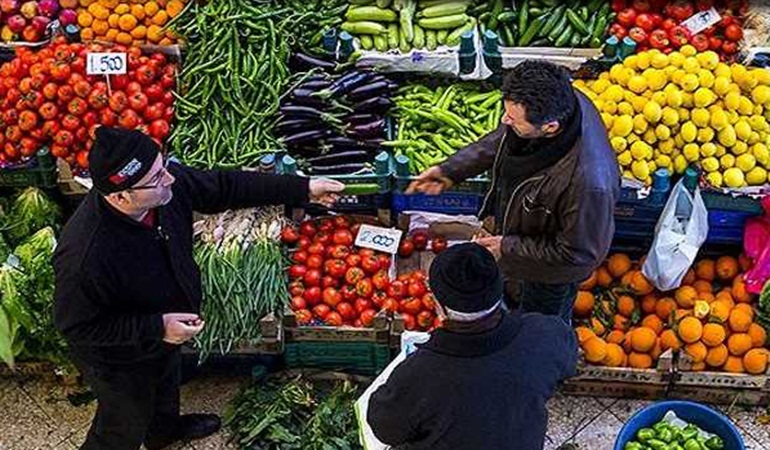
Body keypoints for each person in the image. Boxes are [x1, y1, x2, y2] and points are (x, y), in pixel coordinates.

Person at [53, 127, 344, 450]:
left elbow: (224, 187)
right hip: (119, 357)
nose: (170, 180)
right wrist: (156, 327)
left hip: (164, 329)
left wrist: (302, 188)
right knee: (123, 421)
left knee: (166, 383)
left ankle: (164, 431)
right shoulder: (84, 255)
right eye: (157, 178)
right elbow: (76, 326)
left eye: (164, 167)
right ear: (121, 196)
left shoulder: (162, 188)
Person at [408, 60, 620, 322]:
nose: (503, 120)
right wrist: (451, 170)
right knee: (512, 296)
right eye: (506, 111)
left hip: (549, 275)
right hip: (525, 234)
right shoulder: (558, 101)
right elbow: (505, 137)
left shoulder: (589, 185)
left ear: (550, 127)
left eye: (513, 119)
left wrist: (507, 246)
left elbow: (578, 255)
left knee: (539, 323)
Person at [367, 243, 577, 450]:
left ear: (438, 305)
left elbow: (384, 429)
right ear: (499, 289)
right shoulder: (547, 334)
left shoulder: (418, 373)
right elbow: (567, 364)